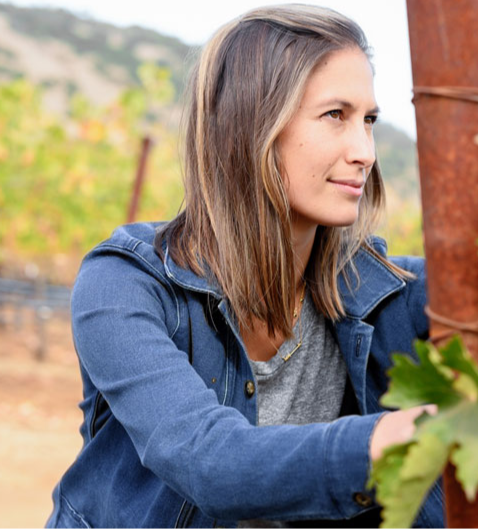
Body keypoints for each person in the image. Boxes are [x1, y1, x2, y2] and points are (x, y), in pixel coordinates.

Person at [47, 5, 443, 528]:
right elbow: (209, 461)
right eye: (335, 116)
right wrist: (395, 438)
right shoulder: (124, 284)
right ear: (251, 125)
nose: (364, 151)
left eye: (368, 120)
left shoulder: (380, 290)